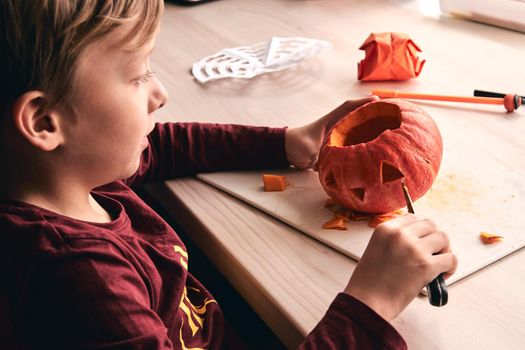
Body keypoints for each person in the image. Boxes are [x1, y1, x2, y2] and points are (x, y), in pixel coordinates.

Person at [0, 1, 457, 349]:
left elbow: (160, 146)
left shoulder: (71, 171)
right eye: (137, 76)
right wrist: (371, 303)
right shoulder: (84, 283)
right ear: (43, 122)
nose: (160, 94)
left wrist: (283, 142)